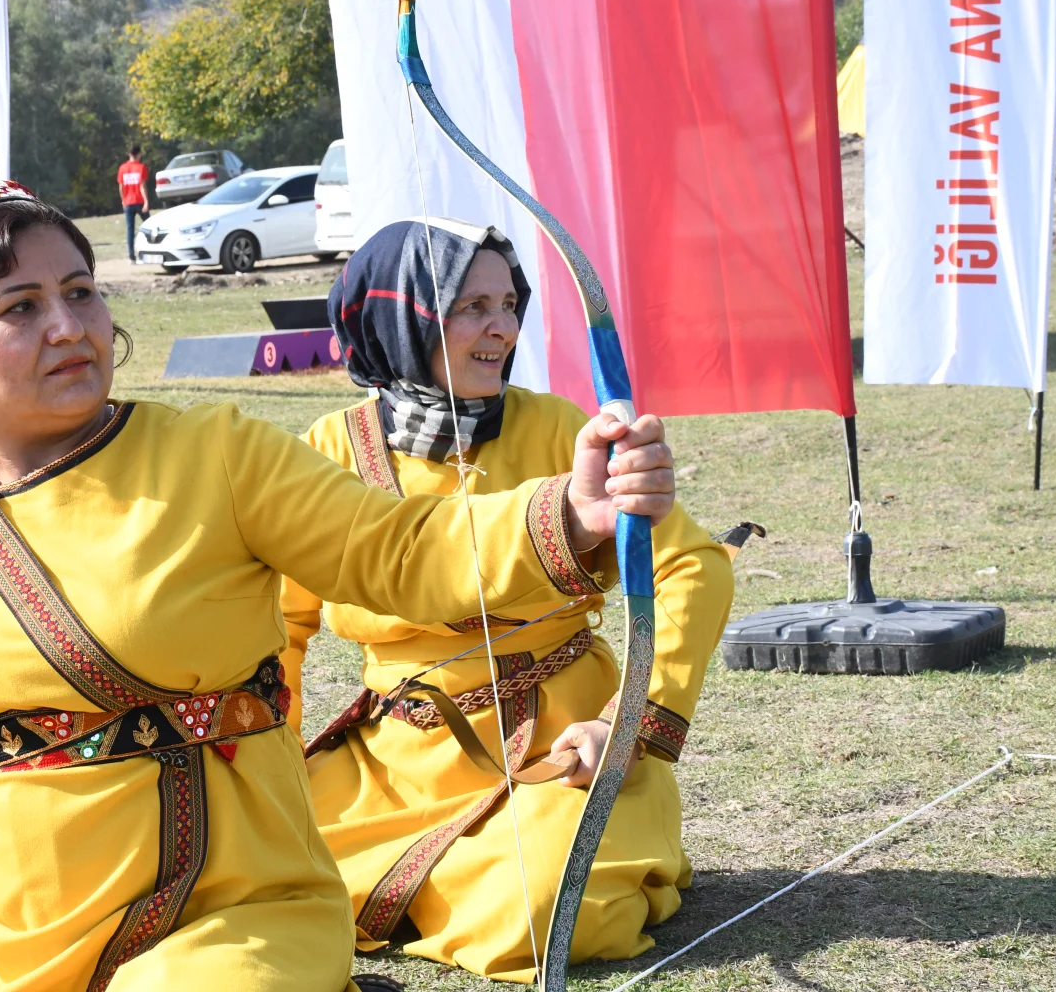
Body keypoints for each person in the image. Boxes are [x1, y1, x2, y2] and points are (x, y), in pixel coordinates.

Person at [0, 181, 677, 991]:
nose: (68, 327)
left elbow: (403, 550)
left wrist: (575, 511)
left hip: (220, 914)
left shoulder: (218, 457)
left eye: (81, 292)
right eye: (19, 308)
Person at [281, 219, 734, 984]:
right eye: (471, 306)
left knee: (545, 901)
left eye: (509, 302)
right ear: (401, 316)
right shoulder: (327, 450)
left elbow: (693, 564)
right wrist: (269, 773)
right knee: (268, 879)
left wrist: (624, 725)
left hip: (562, 745)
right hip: (396, 760)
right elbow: (276, 630)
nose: (502, 327)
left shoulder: (560, 427)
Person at [116, 145, 149, 263]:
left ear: (129, 154)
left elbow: (121, 187)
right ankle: (151, 252)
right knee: (149, 227)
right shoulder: (141, 167)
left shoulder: (122, 168)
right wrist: (146, 202)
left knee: (130, 230)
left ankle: (131, 257)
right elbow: (142, 186)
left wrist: (123, 200)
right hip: (139, 202)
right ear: (139, 154)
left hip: (128, 202)